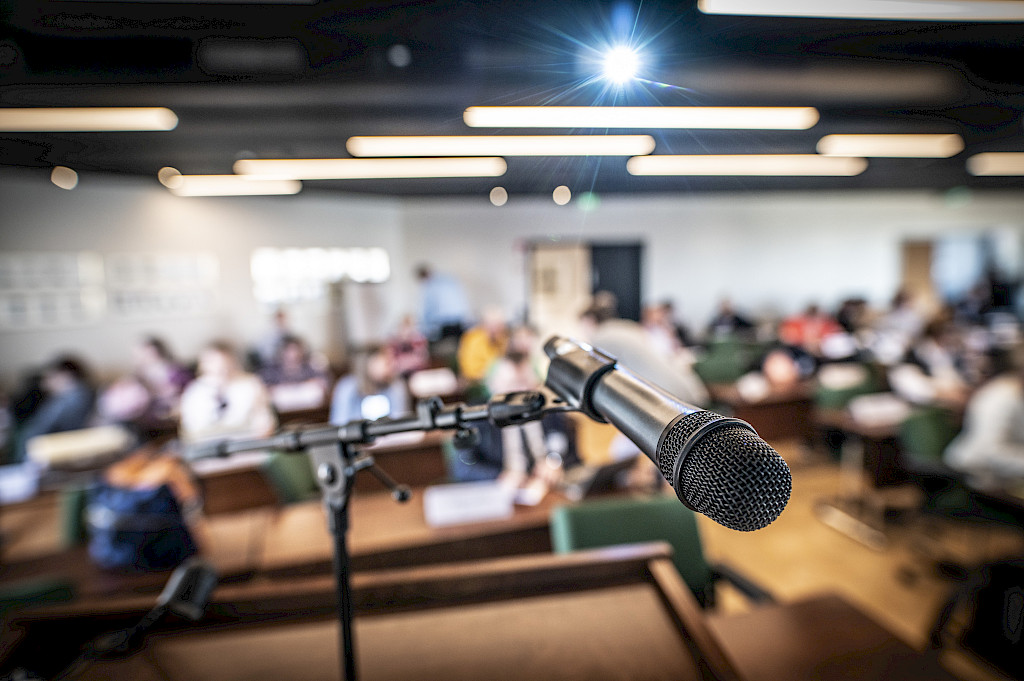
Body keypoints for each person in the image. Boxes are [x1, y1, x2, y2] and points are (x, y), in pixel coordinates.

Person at [944, 344, 1024, 478]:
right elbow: (993, 453)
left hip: (1002, 471)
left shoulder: (1016, 392)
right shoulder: (1002, 398)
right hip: (977, 473)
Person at [179, 341, 277, 446]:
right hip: (208, 447)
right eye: (212, 362)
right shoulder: (194, 391)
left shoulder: (251, 384)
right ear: (202, 364)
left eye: (224, 362)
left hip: (246, 444)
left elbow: (264, 423)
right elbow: (189, 431)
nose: (219, 367)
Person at [98, 336, 192, 432]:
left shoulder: (176, 372)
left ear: (155, 351)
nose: (139, 358)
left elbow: (187, 395)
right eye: (136, 355)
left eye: (142, 353)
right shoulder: (139, 375)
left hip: (164, 418)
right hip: (140, 419)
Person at [13, 355, 96, 462]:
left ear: (65, 375)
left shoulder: (70, 398)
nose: (46, 382)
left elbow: (41, 428)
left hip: (55, 451)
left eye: (50, 377)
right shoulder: (82, 394)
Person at [329, 345, 410, 425]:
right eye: (387, 363)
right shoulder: (347, 387)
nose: (393, 366)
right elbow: (339, 422)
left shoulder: (396, 386)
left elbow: (401, 421)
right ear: (371, 363)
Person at [259, 335, 330, 413]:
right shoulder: (272, 370)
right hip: (282, 410)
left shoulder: (310, 367)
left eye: (295, 350)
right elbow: (264, 388)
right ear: (282, 352)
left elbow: (323, 382)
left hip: (310, 408)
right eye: (289, 350)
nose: (292, 354)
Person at [456, 305, 509, 399]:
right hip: (477, 386)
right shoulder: (473, 339)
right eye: (493, 326)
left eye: (499, 326)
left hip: (501, 383)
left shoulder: (503, 340)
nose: (497, 330)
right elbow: (470, 371)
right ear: (484, 325)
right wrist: (491, 374)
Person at [415, 264, 472, 343]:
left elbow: (428, 309)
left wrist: (423, 328)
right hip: (460, 322)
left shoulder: (429, 286)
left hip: (443, 325)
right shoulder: (449, 280)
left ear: (422, 277)